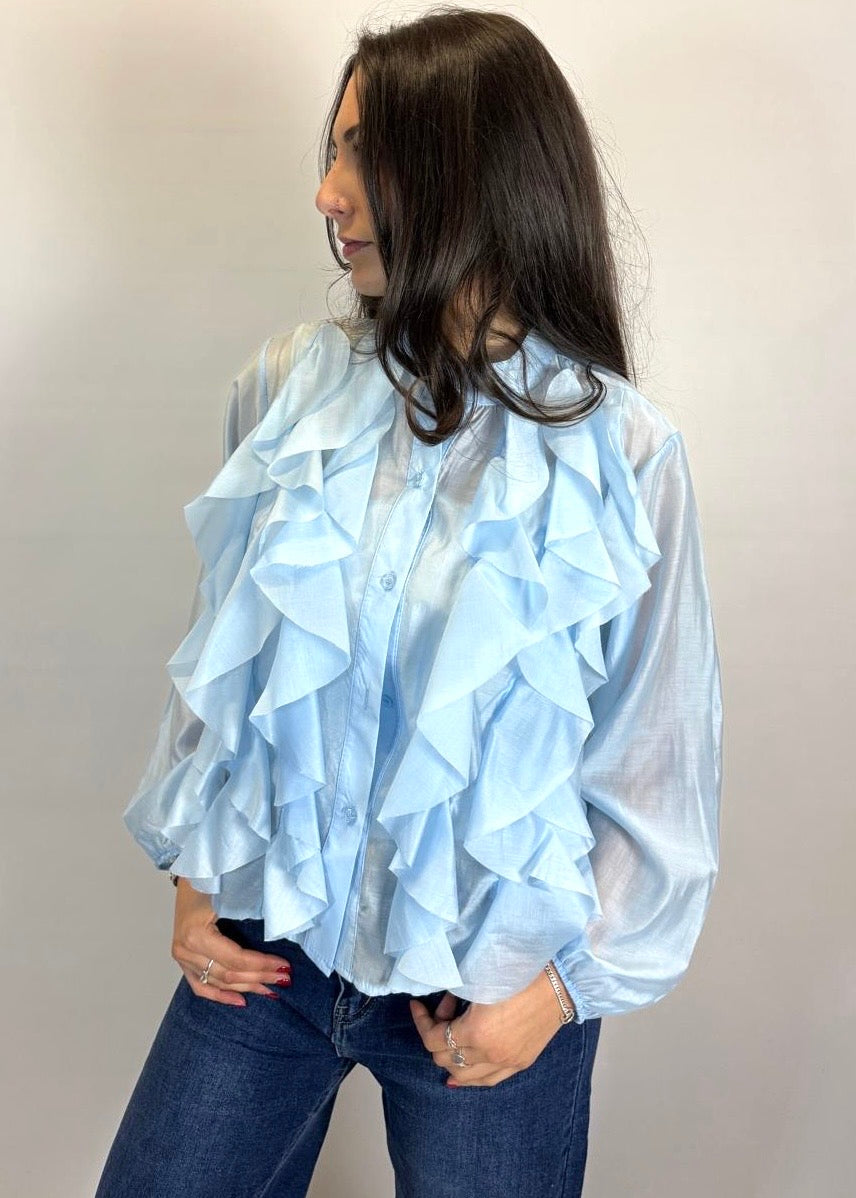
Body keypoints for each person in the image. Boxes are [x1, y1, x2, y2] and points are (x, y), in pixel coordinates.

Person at [95, 7, 723, 1197]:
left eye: (357, 152)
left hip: (485, 992)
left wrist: (555, 996)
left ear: (466, 170)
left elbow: (653, 760)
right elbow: (226, 656)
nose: (326, 195)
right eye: (327, 153)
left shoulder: (625, 456)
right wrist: (193, 870)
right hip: (269, 954)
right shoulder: (285, 388)